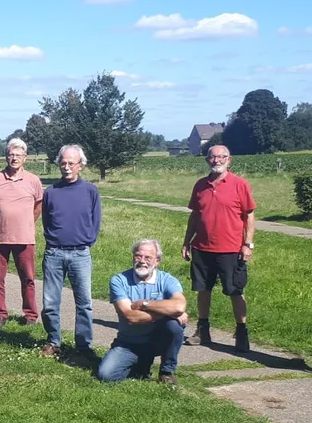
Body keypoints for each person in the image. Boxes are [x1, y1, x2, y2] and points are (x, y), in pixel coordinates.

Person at [181, 144, 256, 352]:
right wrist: (187, 241)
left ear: (229, 160)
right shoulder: (200, 185)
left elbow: (249, 215)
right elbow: (195, 215)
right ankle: (203, 330)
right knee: (202, 289)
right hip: (202, 247)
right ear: (207, 160)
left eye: (222, 157)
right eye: (213, 157)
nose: (217, 160)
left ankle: (241, 332)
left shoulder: (239, 184)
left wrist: (247, 244)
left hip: (231, 249)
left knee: (235, 291)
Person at [97, 239, 188, 384]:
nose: (142, 261)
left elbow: (179, 306)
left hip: (156, 339)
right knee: (106, 375)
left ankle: (166, 371)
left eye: (148, 258)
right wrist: (167, 312)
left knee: (174, 326)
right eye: (138, 256)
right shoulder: (119, 280)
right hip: (129, 342)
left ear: (157, 261)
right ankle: (140, 364)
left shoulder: (167, 280)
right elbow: (131, 317)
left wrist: (145, 304)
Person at [39, 144, 101, 358]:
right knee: (50, 303)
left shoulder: (90, 191)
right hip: (54, 254)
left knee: (84, 303)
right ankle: (53, 341)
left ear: (80, 165)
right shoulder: (51, 192)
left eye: (71, 163)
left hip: (80, 254)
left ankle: (83, 346)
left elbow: (95, 221)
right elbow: (46, 221)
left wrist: (87, 241)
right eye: (63, 163)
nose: (66, 167)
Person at [0, 137, 44, 327]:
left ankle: (30, 315)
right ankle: (0, 313)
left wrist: (25, 222)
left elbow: (38, 206)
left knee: (28, 278)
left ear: (25, 158)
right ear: (6, 157)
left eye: (18, 155)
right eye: (11, 155)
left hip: (24, 238)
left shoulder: (33, 180)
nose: (14, 158)